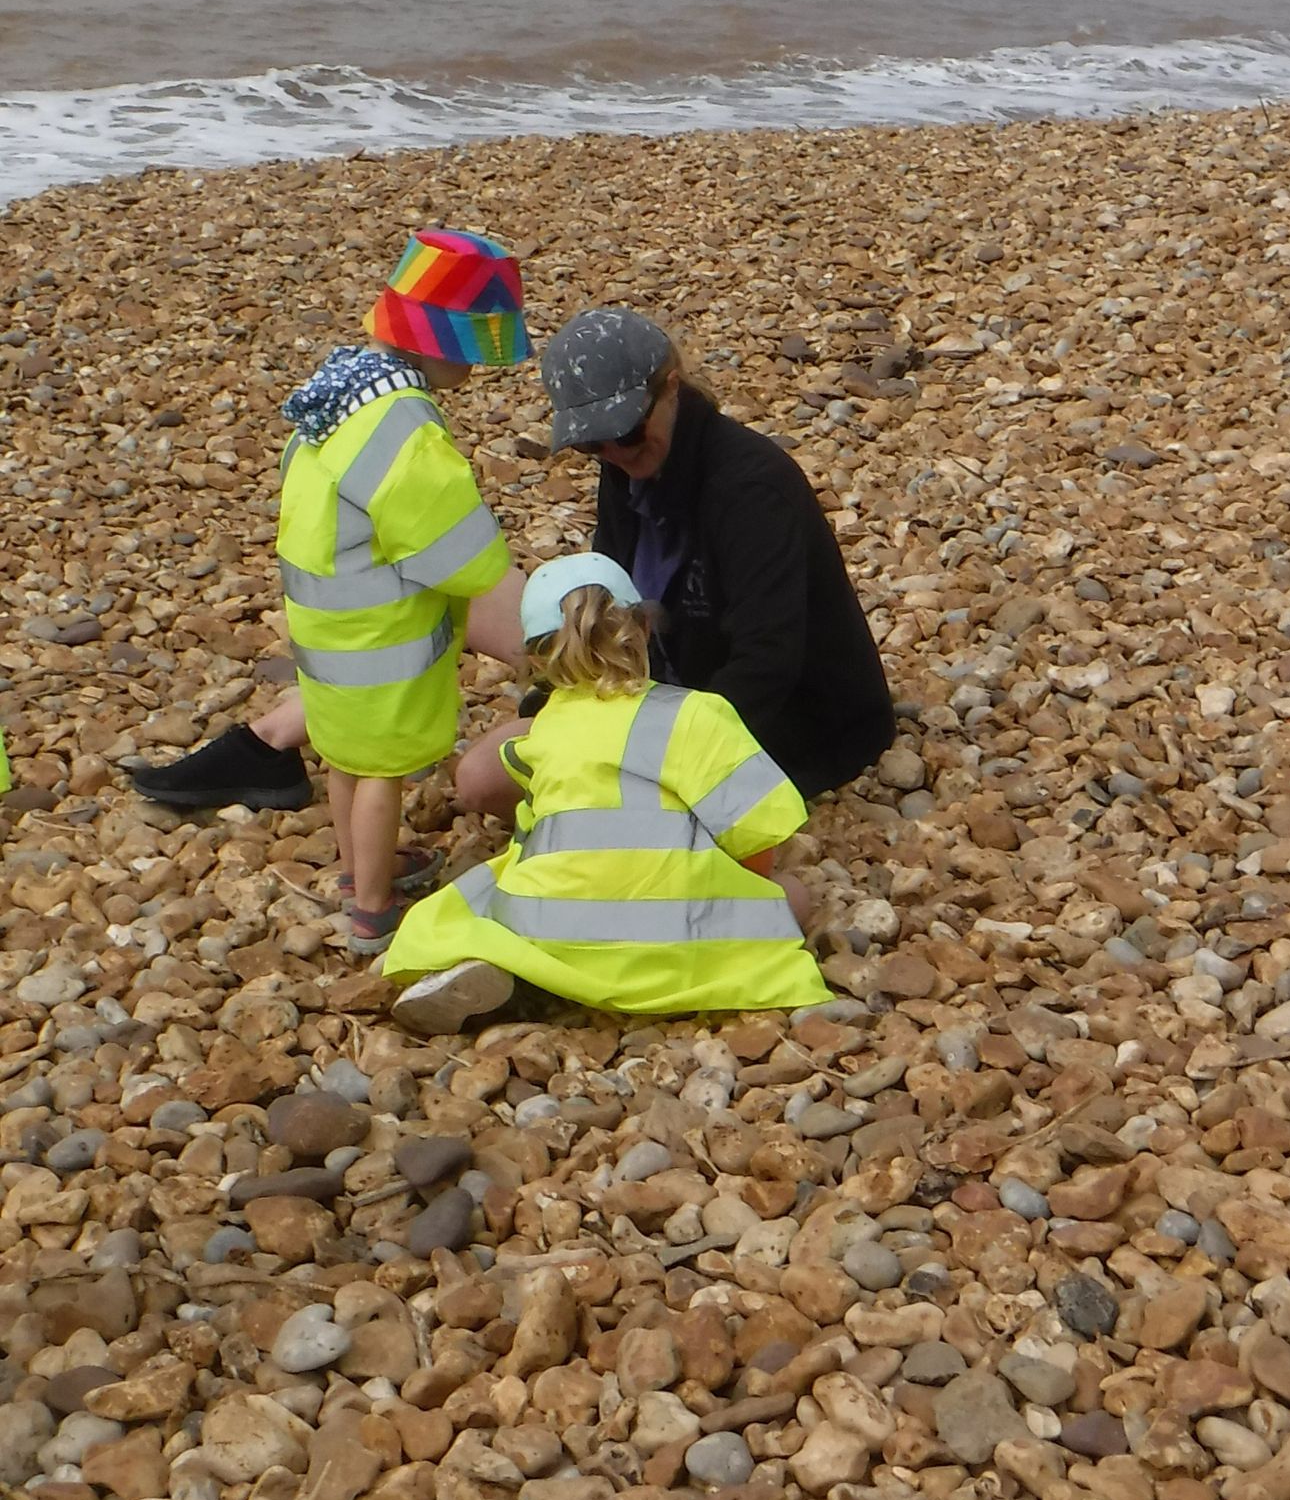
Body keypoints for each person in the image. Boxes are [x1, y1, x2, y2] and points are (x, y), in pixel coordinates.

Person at [125, 230, 530, 819]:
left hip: (324, 611)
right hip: (373, 619)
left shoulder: (340, 394)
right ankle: (368, 897)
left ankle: (267, 748)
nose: (473, 370)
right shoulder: (404, 427)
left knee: (353, 700)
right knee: (381, 726)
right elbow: (462, 557)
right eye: (470, 353)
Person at [384, 553, 828, 1034]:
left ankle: (528, 971)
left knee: (491, 895)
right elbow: (757, 841)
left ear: (536, 657)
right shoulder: (697, 712)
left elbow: (531, 841)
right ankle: (689, 974)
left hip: (560, 931)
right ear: (642, 626)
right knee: (794, 895)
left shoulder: (544, 730)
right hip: (685, 950)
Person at [536, 305, 893, 795]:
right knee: (495, 773)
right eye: (591, 445)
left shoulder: (752, 488)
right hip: (682, 699)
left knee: (586, 790)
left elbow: (767, 662)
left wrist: (659, 749)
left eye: (626, 431)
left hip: (802, 724)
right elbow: (608, 613)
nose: (616, 454)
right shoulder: (625, 469)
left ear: (673, 388)